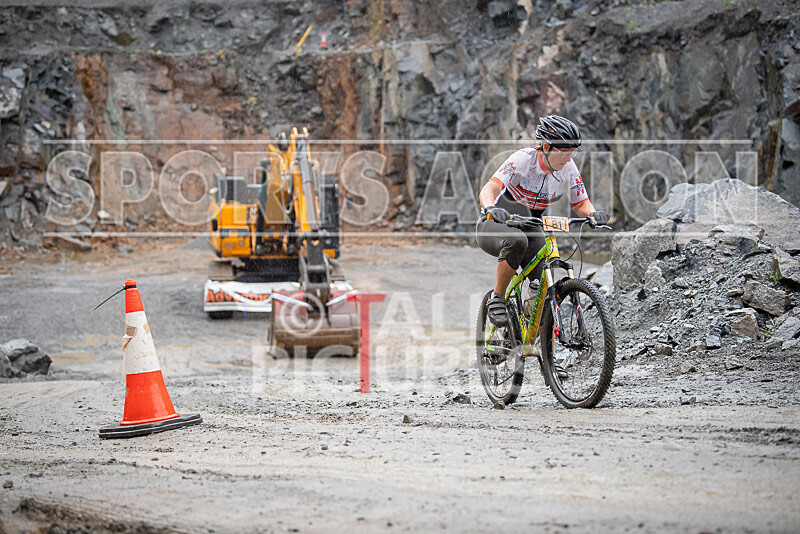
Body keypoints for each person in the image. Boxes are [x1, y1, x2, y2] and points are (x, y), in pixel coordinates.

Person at [476, 115, 610, 326]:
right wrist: (491, 208)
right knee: (516, 241)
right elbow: (489, 189)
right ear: (546, 147)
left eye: (572, 152)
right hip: (497, 223)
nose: (569, 158)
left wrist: (593, 214)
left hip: (531, 226)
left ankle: (538, 332)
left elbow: (581, 203)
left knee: (543, 287)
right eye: (564, 152)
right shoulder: (522, 160)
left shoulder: (568, 168)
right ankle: (497, 298)